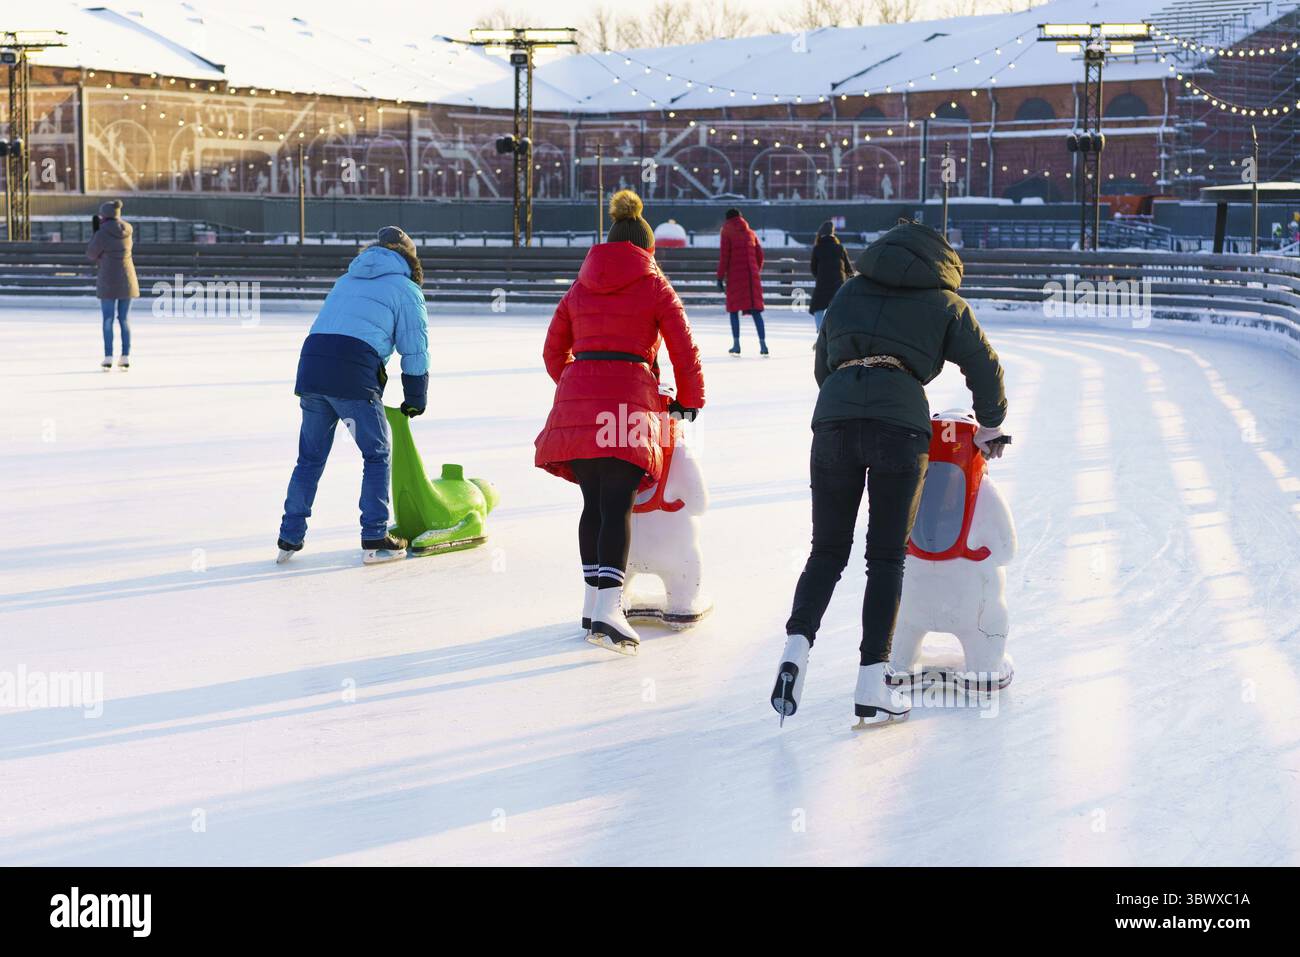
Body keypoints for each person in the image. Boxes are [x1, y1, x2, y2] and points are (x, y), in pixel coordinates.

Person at [770, 220, 1009, 725]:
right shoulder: (944, 301)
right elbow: (984, 367)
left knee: (827, 551)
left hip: (834, 421)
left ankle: (795, 650)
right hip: (899, 426)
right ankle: (871, 683)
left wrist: (844, 396)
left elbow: (823, 365)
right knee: (884, 559)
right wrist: (990, 422)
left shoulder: (851, 290)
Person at [535, 189, 705, 656]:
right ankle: (610, 609)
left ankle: (594, 604)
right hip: (629, 402)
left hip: (579, 403)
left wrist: (578, 383)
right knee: (618, 502)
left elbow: (553, 351)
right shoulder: (654, 284)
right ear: (648, 249)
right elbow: (683, 347)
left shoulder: (579, 286)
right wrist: (689, 400)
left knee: (594, 503)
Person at [276, 226, 429, 566]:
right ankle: (375, 537)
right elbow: (414, 348)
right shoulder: (405, 288)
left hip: (313, 366)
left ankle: (289, 535)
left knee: (310, 457)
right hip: (352, 374)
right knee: (376, 454)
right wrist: (416, 396)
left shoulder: (347, 278)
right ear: (408, 257)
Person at [85, 199, 139, 370]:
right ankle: (125, 356)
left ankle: (108, 357)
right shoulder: (128, 231)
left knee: (108, 319)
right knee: (124, 319)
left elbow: (92, 254)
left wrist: (95, 233)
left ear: (104, 215)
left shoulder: (102, 233)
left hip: (108, 280)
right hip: (128, 280)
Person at [716, 208, 767, 356]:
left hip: (735, 277)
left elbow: (724, 257)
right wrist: (755, 270)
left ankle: (736, 344)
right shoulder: (750, 232)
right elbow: (760, 255)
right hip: (752, 278)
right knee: (756, 311)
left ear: (727, 219)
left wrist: (720, 277)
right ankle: (763, 345)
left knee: (733, 311)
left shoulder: (726, 231)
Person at [808, 220, 853, 333]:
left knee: (818, 307)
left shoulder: (818, 249)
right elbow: (849, 269)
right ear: (833, 233)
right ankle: (837, 331)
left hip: (822, 287)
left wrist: (822, 276)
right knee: (838, 308)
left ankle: (820, 332)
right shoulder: (840, 248)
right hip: (838, 286)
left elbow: (814, 270)